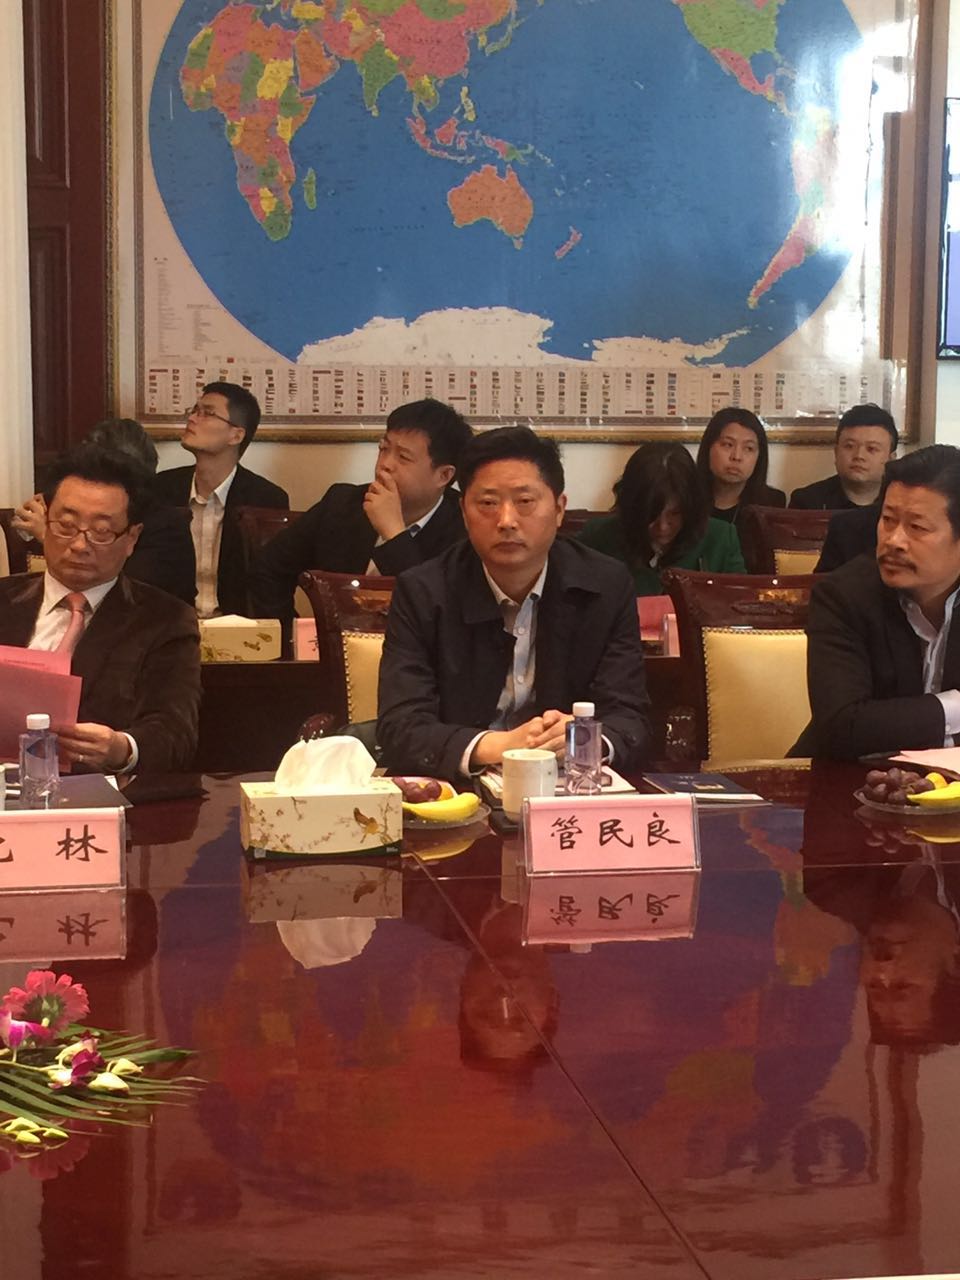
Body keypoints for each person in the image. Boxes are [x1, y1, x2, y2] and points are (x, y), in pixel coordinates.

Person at [377, 425, 652, 779]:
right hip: (459, 789)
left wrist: (585, 739)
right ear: (464, 512)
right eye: (488, 503)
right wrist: (502, 745)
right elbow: (401, 726)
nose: (506, 521)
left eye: (525, 502)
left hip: (567, 785)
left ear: (559, 509)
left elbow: (630, 717)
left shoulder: (605, 586)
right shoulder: (424, 591)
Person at [0, 447, 200, 773]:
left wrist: (122, 748)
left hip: (92, 791)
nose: (80, 545)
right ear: (45, 522)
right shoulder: (3, 600)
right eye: (66, 525)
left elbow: (175, 732)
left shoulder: (164, 620)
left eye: (102, 532)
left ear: (131, 538)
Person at [796, 444, 960, 760]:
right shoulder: (843, 596)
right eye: (888, 520)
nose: (894, 540)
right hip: (850, 780)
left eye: (917, 527)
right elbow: (842, 725)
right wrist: (954, 708)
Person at [250, 398, 472, 627]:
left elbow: (436, 611)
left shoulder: (466, 528)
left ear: (443, 475)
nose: (385, 464)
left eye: (403, 457)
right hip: (337, 646)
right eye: (383, 449)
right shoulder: (342, 504)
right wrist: (290, 634)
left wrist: (394, 534)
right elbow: (268, 568)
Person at [12, 418, 197, 605]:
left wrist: (48, 537)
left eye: (101, 530)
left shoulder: (167, 525)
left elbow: (125, 596)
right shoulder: (61, 505)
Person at [154, 382, 289, 617]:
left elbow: (269, 584)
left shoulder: (265, 498)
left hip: (238, 626)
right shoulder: (161, 489)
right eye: (194, 411)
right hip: (172, 625)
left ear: (236, 435)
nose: (192, 419)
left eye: (207, 413)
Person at [578, 443, 745, 595]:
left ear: (691, 507)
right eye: (651, 514)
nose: (663, 526)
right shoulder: (598, 538)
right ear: (632, 507)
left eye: (675, 513)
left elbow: (739, 604)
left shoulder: (721, 539)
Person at [789, 403, 898, 510]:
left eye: (871, 449)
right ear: (836, 453)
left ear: (891, 459)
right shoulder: (806, 502)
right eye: (849, 446)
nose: (859, 456)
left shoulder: (904, 501)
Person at [695, 407, 785, 525]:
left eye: (748, 448)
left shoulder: (773, 503)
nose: (737, 456)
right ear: (708, 448)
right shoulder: (685, 497)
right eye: (728, 445)